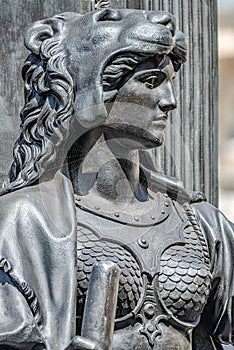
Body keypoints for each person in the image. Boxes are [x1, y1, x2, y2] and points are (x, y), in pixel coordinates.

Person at [0, 8, 233, 350]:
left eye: (170, 83)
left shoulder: (205, 224)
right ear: (96, 87)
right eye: (151, 81)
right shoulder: (23, 221)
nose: (170, 101)